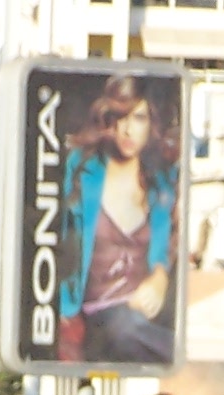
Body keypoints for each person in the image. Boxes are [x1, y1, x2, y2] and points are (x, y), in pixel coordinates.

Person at [56, 75, 179, 365]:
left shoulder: (162, 182)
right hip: (92, 315)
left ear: (152, 124)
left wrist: (160, 278)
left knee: (143, 331)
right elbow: (57, 235)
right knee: (125, 327)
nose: (127, 129)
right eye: (120, 117)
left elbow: (167, 245)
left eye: (138, 117)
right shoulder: (82, 169)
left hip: (141, 319)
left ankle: (183, 357)